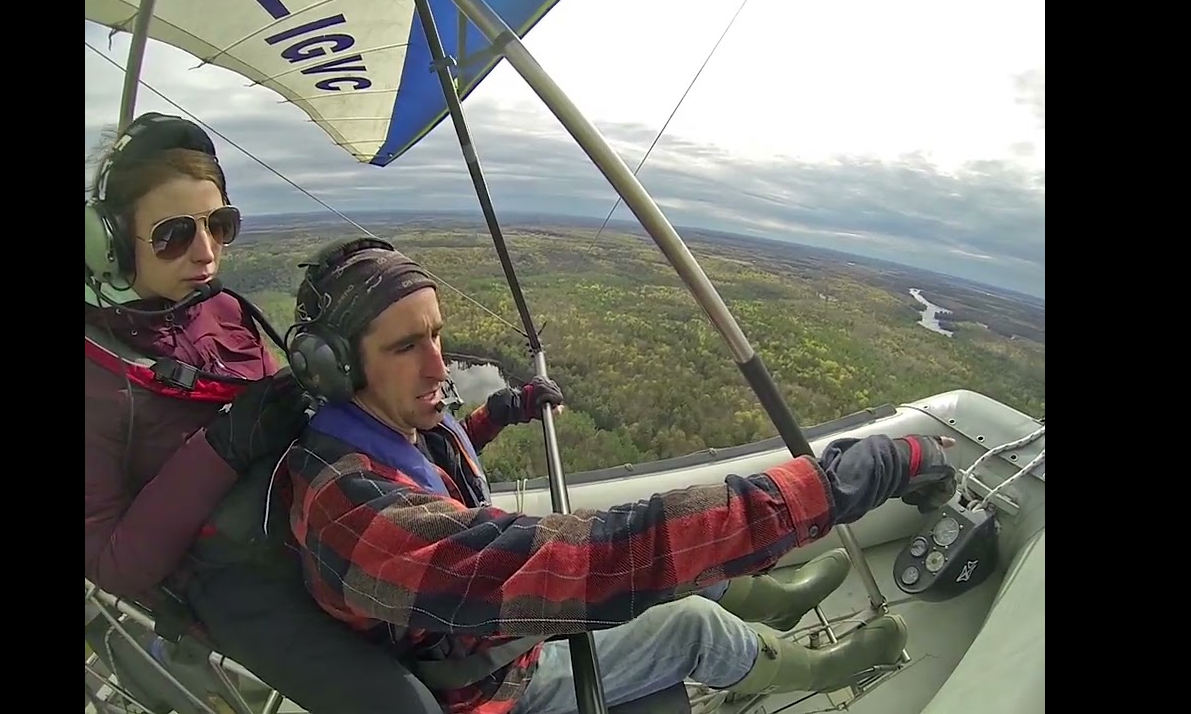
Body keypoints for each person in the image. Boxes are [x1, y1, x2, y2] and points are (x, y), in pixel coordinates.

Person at [282, 236, 957, 714]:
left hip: (480, 622)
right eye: (407, 346)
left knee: (681, 566)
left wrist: (504, 410)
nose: (439, 367)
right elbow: (592, 558)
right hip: (489, 683)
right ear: (337, 367)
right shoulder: (357, 515)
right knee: (682, 610)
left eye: (436, 334)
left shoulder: (377, 427)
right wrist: (827, 489)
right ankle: (815, 668)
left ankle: (775, 603)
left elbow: (443, 457)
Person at [84, 112, 444, 714]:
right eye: (174, 234)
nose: (206, 252)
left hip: (295, 517)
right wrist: (220, 449)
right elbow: (112, 566)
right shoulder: (95, 375)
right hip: (223, 578)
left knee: (440, 625)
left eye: (219, 225)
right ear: (112, 243)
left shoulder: (223, 310)